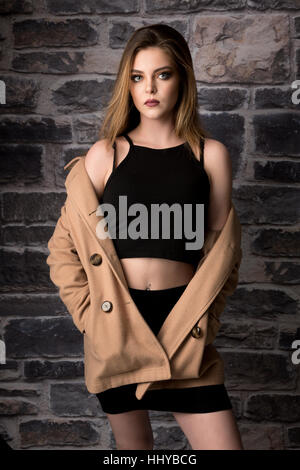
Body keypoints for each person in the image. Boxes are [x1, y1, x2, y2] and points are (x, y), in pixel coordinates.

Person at [80, 24, 243, 450]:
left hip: (181, 322)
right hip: (119, 324)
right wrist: (91, 319)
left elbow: (222, 255)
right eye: (138, 77)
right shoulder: (104, 155)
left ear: (183, 78)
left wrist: (206, 318)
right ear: (127, 84)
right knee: (134, 454)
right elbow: (65, 249)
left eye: (163, 74)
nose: (149, 87)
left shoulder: (210, 155)